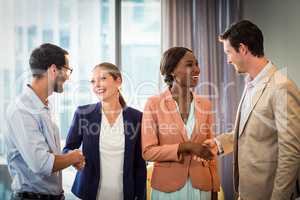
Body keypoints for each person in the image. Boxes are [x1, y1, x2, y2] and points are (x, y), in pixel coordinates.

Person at [204, 20, 300, 200]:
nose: (228, 59)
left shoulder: (281, 86)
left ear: (242, 49)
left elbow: (291, 154)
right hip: (246, 192)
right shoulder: (251, 83)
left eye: (229, 52)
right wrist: (218, 144)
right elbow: (252, 133)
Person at [4, 43, 85, 200]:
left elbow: (48, 154)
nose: (68, 77)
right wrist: (73, 157)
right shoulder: (23, 109)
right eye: (68, 70)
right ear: (54, 70)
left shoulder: (44, 105)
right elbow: (41, 163)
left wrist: (66, 160)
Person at [142, 47, 220, 200]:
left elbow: (210, 150)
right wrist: (185, 147)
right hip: (168, 189)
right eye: (190, 65)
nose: (197, 69)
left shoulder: (205, 104)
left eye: (197, 64)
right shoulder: (154, 104)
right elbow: (148, 152)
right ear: (172, 71)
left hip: (202, 187)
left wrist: (214, 186)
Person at [63, 62, 147, 200]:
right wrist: (73, 159)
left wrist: (140, 195)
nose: (96, 85)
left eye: (102, 78)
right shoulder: (83, 113)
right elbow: (68, 148)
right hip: (90, 193)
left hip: (125, 194)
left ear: (118, 81)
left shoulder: (136, 117)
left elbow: (139, 163)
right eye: (92, 81)